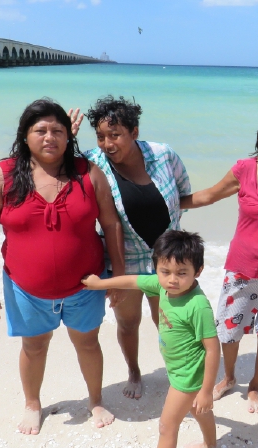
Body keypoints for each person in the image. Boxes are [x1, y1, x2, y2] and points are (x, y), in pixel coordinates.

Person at [0, 98, 126, 435]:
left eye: (57, 130)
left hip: (86, 287)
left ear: (69, 136)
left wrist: (118, 278)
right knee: (34, 346)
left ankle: (95, 400)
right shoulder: (3, 176)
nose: (49, 137)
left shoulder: (88, 174)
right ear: (25, 136)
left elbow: (111, 225)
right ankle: (32, 404)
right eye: (40, 130)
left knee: (88, 343)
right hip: (26, 288)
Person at [180, 107, 258, 413]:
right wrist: (167, 204)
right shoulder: (244, 170)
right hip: (243, 267)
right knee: (230, 328)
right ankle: (230, 377)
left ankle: (256, 384)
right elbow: (209, 195)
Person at [82, 230, 220, 448]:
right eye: (165, 271)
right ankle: (211, 447)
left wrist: (205, 390)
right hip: (180, 370)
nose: (172, 279)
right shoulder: (160, 285)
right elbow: (132, 280)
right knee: (199, 411)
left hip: (187, 376)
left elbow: (213, 350)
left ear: (198, 271)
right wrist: (99, 284)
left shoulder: (198, 305)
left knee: (167, 427)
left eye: (182, 272)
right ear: (156, 267)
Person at [82, 95, 192, 401]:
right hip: (126, 260)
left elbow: (183, 193)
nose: (107, 144)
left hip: (167, 261)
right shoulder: (94, 164)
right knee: (128, 322)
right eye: (101, 136)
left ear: (134, 131)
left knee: (169, 321)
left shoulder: (164, 155)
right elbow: (53, 161)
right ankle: (134, 370)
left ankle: (177, 370)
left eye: (115, 135)